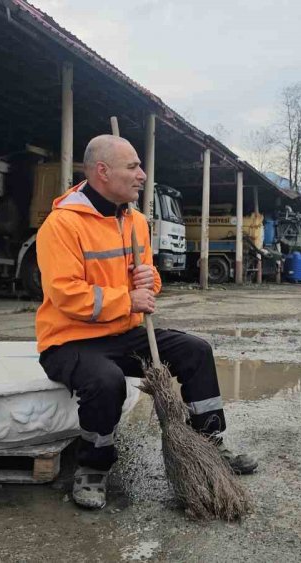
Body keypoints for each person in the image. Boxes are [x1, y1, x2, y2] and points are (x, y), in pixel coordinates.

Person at [35, 134, 258, 509]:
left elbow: (148, 278)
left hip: (121, 331)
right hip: (69, 340)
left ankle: (210, 445)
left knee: (195, 351)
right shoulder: (61, 226)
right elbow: (66, 294)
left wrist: (148, 281)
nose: (142, 175)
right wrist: (129, 299)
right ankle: (93, 467)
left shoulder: (135, 220)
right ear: (102, 172)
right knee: (106, 382)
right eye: (133, 166)